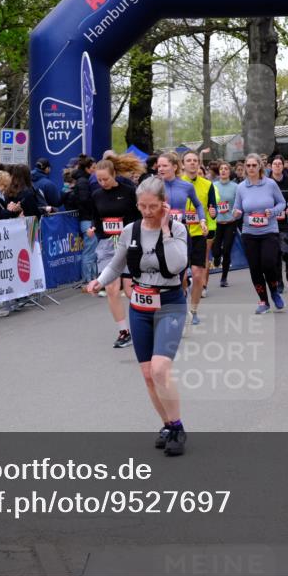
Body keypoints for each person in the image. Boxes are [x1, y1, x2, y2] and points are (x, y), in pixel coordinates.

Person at [86, 177, 190, 456]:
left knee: (159, 368)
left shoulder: (177, 228)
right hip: (140, 306)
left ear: (163, 204)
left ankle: (178, 427)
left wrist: (166, 229)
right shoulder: (130, 231)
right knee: (147, 374)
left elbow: (178, 263)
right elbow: (117, 264)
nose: (147, 211)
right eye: (142, 206)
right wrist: (99, 280)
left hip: (169, 304)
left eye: (153, 206)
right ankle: (167, 424)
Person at [91, 159, 142, 348]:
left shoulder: (129, 192)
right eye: (99, 180)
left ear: (114, 175)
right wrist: (95, 230)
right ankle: (124, 332)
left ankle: (150, 319)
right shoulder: (96, 195)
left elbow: (139, 217)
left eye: (105, 179)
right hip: (106, 246)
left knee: (130, 291)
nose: (102, 183)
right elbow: (97, 219)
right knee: (112, 288)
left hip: (128, 244)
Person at [232, 153, 286, 314]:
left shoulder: (270, 184)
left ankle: (274, 291)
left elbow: (282, 202)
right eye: (248, 166)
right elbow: (238, 208)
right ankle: (264, 301)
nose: (250, 168)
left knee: (268, 263)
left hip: (269, 230)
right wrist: (236, 213)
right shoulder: (241, 187)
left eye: (254, 165)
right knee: (255, 268)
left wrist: (273, 211)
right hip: (249, 233)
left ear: (260, 167)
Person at [156, 152, 206, 306]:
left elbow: (197, 204)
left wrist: (202, 220)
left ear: (175, 167)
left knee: (184, 274)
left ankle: (191, 307)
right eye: (159, 166)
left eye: (165, 165)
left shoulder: (186, 185)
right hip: (160, 231)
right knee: (174, 274)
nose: (161, 169)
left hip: (181, 231)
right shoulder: (154, 185)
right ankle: (180, 298)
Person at [180, 150, 216, 324]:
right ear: (183, 164)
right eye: (189, 160)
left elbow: (212, 209)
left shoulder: (207, 185)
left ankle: (193, 311)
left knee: (197, 274)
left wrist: (213, 213)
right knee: (180, 277)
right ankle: (181, 302)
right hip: (179, 236)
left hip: (199, 234)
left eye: (195, 160)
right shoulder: (177, 183)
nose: (192, 163)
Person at [211, 161, 239, 287]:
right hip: (216, 222)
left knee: (227, 250)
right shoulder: (213, 185)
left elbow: (239, 203)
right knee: (216, 250)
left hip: (230, 222)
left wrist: (237, 212)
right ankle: (217, 257)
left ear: (229, 171)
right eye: (221, 169)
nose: (223, 171)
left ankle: (224, 277)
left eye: (226, 169)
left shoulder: (235, 187)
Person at [269, 155, 288, 285]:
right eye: (275, 164)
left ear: (283, 166)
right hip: (272, 221)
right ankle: (279, 281)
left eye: (280, 163)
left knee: (286, 251)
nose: (278, 166)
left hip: (287, 221)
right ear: (271, 166)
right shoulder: (267, 182)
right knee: (275, 254)